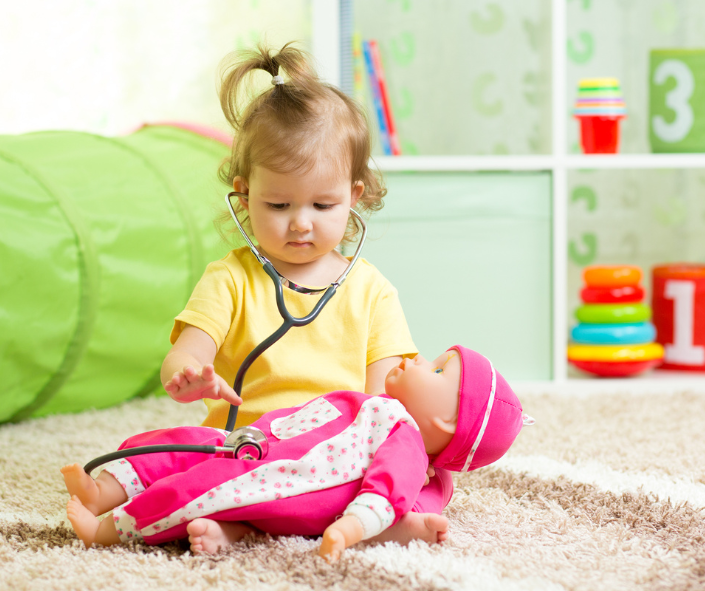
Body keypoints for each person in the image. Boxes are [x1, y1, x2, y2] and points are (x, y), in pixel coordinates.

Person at [157, 42, 452, 543]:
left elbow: (386, 396)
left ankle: (358, 520)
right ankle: (267, 529)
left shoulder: (372, 292)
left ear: (353, 197)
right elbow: (187, 353)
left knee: (428, 473)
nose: (300, 222)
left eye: (322, 203)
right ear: (244, 194)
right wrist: (187, 377)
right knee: (180, 466)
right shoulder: (228, 280)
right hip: (253, 451)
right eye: (277, 204)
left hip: (337, 457)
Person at [62, 346, 528, 561]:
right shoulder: (379, 409)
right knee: (181, 442)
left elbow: (385, 494)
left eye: (439, 369)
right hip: (260, 445)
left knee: (198, 489)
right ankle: (106, 487)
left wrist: (348, 529)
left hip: (282, 477)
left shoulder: (402, 434)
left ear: (446, 422)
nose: (420, 359)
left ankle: (111, 531)